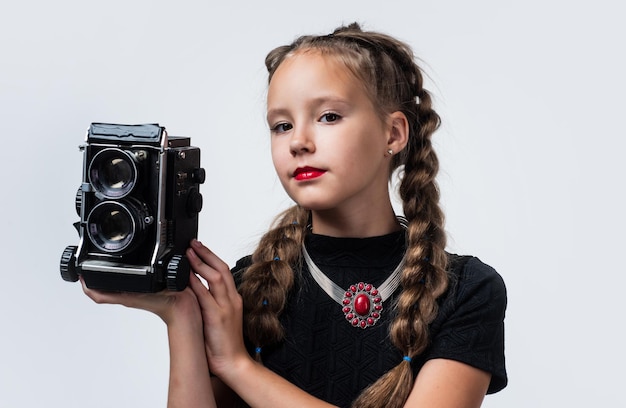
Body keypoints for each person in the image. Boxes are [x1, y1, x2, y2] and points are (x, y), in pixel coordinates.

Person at [82, 22, 507, 408]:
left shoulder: (464, 292)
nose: (298, 141)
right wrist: (181, 316)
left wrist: (238, 365)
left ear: (392, 134)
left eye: (328, 117)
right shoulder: (247, 288)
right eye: (281, 125)